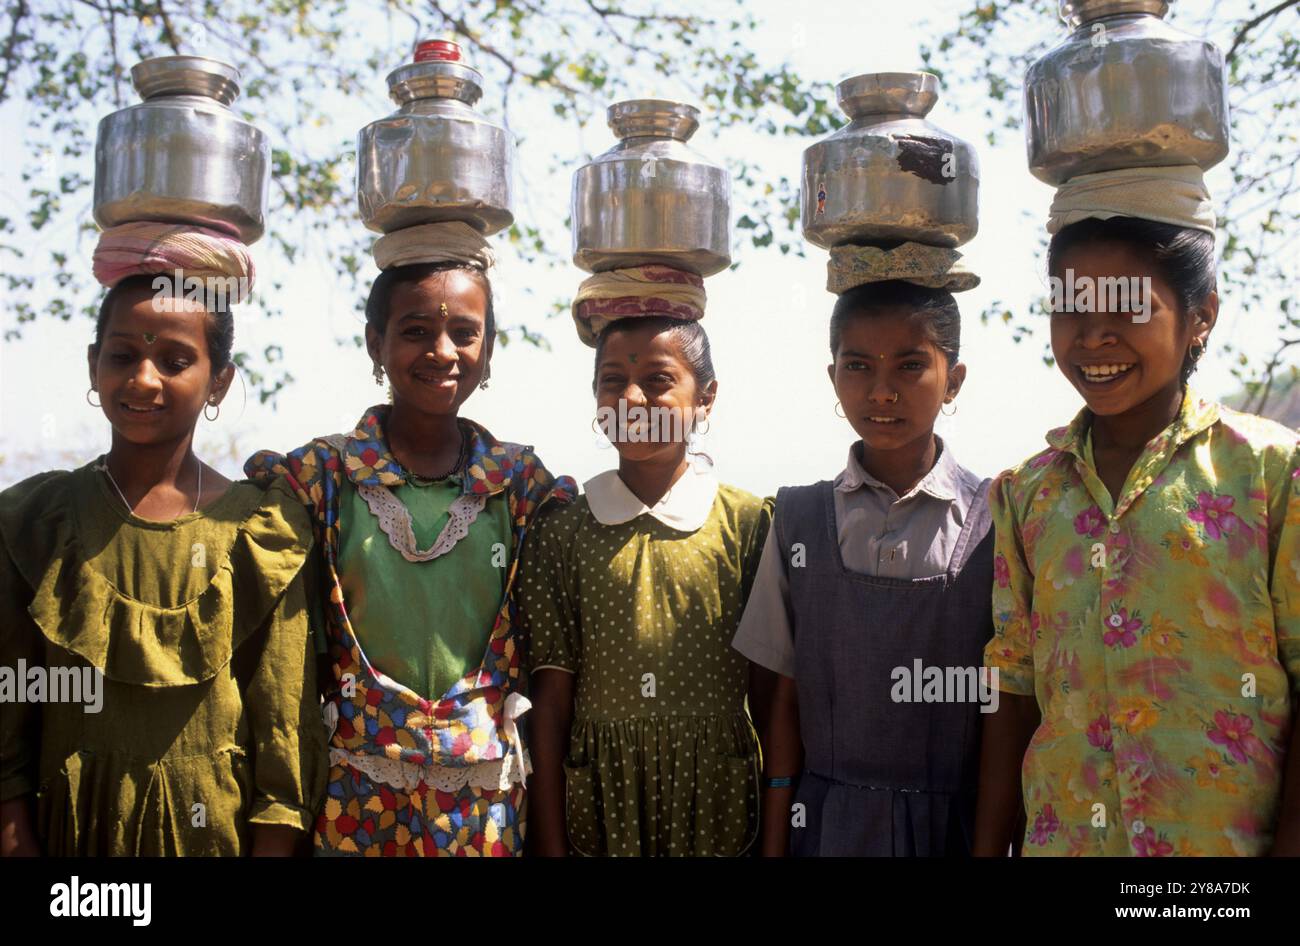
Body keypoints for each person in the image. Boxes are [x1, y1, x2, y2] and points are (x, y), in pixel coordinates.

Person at [973, 208, 1300, 856]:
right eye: (1070, 306)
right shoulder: (1027, 494)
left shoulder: (1270, 474)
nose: (1092, 337)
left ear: (1200, 316)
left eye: (1125, 307)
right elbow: (1013, 694)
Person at [245, 254, 575, 856]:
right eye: (416, 331)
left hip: (482, 806)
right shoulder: (322, 478)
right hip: (356, 796)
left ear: (490, 346)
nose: (442, 352)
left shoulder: (522, 486)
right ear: (377, 343)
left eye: (464, 333)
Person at [0, 265, 325, 856]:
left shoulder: (261, 532)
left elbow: (283, 726)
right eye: (123, 356)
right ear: (94, 365)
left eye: (175, 362)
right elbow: (8, 720)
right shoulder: (34, 522)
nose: (143, 380)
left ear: (218, 383)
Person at [735, 278, 994, 857]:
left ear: (953, 380)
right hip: (825, 827)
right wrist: (776, 838)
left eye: (909, 366)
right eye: (857, 366)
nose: (881, 392)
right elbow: (780, 698)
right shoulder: (798, 518)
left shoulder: (996, 522)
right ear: (832, 378)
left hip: (950, 828)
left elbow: (1010, 705)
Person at [521, 312, 770, 856]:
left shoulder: (748, 524)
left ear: (705, 399)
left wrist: (779, 829)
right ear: (594, 397)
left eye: (658, 380)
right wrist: (549, 842)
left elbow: (772, 699)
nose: (632, 398)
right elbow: (551, 701)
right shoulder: (561, 532)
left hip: (718, 800)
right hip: (602, 804)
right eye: (613, 381)